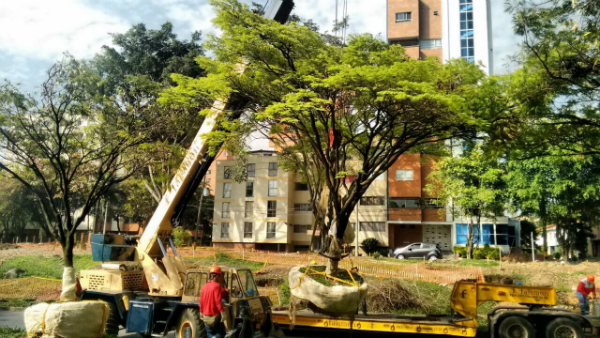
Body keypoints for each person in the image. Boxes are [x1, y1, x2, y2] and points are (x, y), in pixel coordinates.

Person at [200, 266, 227, 338]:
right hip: (214, 317)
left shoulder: (204, 287)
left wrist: (201, 312)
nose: (221, 277)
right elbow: (218, 301)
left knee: (210, 334)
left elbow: (201, 301)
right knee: (221, 333)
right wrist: (222, 312)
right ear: (216, 276)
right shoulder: (217, 286)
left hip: (206, 317)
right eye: (220, 275)